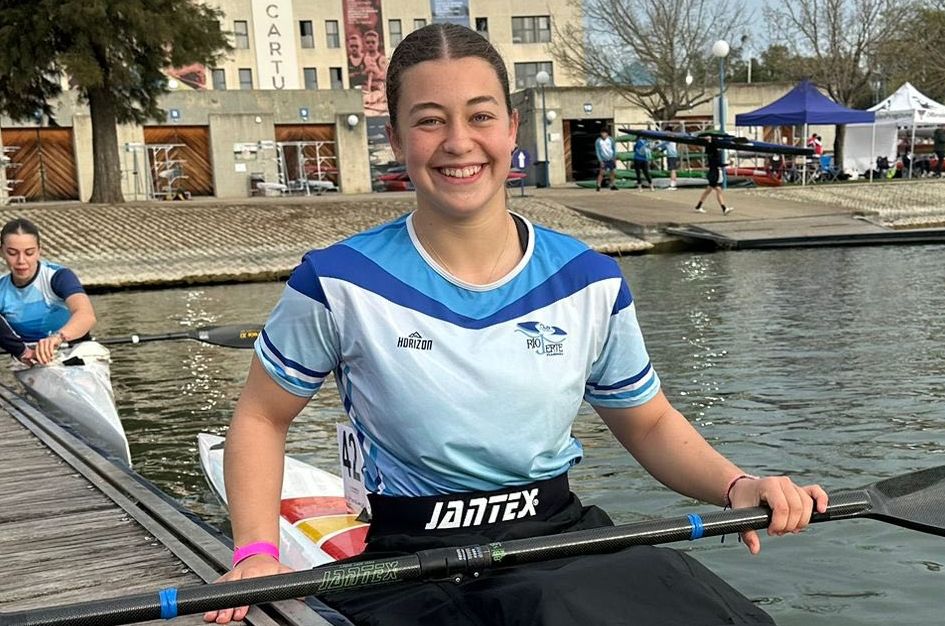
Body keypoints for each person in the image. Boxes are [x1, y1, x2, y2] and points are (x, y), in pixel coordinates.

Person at [203, 22, 826, 626]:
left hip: (556, 535)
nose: (458, 141)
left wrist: (737, 485)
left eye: (480, 116)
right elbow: (262, 417)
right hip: (414, 557)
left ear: (511, 128)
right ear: (395, 139)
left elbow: (651, 421)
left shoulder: (588, 280)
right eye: (429, 120)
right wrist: (256, 551)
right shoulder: (337, 282)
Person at [0, 218, 96, 366]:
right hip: (29, 357)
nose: (21, 261)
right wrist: (22, 352)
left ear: (39, 251)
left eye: (29, 253)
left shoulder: (58, 276)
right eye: (12, 253)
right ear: (2, 252)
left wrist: (56, 338)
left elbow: (86, 315)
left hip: (72, 350)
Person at [693, 138, 733, 215]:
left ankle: (698, 206)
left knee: (708, 191)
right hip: (714, 174)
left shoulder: (710, 152)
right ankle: (724, 208)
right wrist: (728, 164)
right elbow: (718, 164)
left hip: (712, 174)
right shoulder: (715, 153)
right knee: (718, 190)